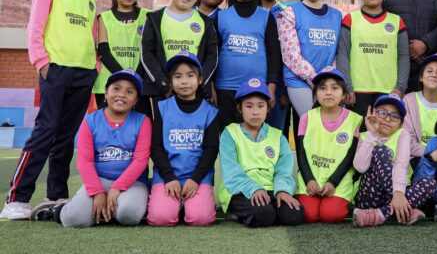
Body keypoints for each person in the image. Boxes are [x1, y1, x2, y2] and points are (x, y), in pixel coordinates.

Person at [2, 0, 102, 220]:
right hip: (55, 68)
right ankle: (17, 199)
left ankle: (57, 193)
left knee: (66, 136)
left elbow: (92, 34)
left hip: (84, 72)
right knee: (45, 130)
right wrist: (42, 62)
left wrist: (94, 66)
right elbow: (35, 25)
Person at [31, 69, 151, 227]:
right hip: (99, 180)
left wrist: (117, 187)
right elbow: (84, 162)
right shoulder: (91, 121)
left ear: (136, 100)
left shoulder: (143, 121)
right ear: (106, 93)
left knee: (128, 215)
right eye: (116, 89)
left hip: (133, 183)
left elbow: (140, 161)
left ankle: (118, 209)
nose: (122, 94)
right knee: (74, 220)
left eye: (129, 92)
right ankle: (58, 210)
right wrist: (98, 192)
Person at [218, 78, 304, 227]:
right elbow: (231, 171)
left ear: (268, 108)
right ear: (239, 108)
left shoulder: (277, 136)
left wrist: (282, 191)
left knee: (294, 215)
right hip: (241, 191)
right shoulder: (230, 133)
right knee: (264, 214)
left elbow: (283, 171)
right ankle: (241, 213)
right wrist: (254, 189)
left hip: (271, 190)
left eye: (260, 105)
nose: (255, 112)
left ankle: (268, 210)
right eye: (249, 106)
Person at [147, 52, 219, 227]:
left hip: (197, 178)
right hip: (167, 177)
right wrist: (169, 177)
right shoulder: (162, 108)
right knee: (161, 218)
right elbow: (156, 147)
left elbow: (211, 150)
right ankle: (167, 199)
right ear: (171, 81)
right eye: (178, 77)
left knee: (200, 218)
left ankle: (188, 203)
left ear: (200, 79)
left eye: (190, 75)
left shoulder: (210, 111)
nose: (184, 81)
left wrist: (195, 179)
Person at [140, 0, 218, 118]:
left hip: (196, 92)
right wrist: (164, 84)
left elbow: (212, 57)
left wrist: (197, 83)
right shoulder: (154, 19)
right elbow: (146, 54)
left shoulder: (206, 22)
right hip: (162, 91)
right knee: (162, 130)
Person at [352, 94, 437, 227]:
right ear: (373, 114)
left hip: (400, 195)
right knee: (380, 150)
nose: (387, 119)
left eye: (395, 116)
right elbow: (360, 167)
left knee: (430, 183)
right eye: (383, 113)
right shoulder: (364, 136)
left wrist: (398, 194)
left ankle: (377, 215)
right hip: (369, 197)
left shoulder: (402, 134)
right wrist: (371, 135)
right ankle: (405, 212)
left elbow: (401, 164)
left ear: (401, 123)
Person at [215, 0, 281, 127]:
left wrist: (271, 87)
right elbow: (213, 54)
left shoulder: (266, 16)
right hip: (225, 88)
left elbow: (274, 54)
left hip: (257, 89)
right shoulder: (221, 16)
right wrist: (211, 87)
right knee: (227, 136)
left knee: (254, 136)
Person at [337, 0, 409, 117]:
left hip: (388, 91)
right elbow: (343, 54)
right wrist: (348, 87)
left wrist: (400, 87)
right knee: (360, 131)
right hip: (357, 91)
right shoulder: (350, 19)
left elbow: (403, 56)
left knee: (385, 131)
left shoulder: (396, 21)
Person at [296, 68, 361, 223]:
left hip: (339, 180)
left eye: (335, 88)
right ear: (315, 94)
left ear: (344, 95)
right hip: (311, 179)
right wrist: (309, 180)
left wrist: (333, 182)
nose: (328, 93)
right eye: (322, 88)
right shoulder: (306, 118)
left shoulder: (355, 120)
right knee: (308, 215)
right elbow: (301, 152)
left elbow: (350, 157)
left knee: (330, 215)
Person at [278, 0, 342, 120]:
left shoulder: (336, 16)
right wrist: (316, 79)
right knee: (313, 122)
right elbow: (290, 55)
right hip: (299, 80)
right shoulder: (290, 13)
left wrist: (327, 79)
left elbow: (338, 52)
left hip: (327, 80)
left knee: (329, 124)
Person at [93, 0, 149, 110]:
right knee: (109, 123)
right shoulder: (104, 18)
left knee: (140, 123)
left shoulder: (148, 16)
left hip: (139, 83)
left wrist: (134, 78)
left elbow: (148, 51)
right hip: (109, 83)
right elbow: (104, 52)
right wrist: (124, 77)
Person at [258, 0, 290, 132]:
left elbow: (287, 53)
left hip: (277, 84)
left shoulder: (286, 13)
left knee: (275, 133)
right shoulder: (248, 10)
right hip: (252, 79)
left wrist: (284, 90)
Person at [403, 54, 437, 158]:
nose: (434, 75)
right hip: (416, 158)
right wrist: (432, 153)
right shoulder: (408, 101)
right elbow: (407, 141)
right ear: (421, 77)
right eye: (429, 71)